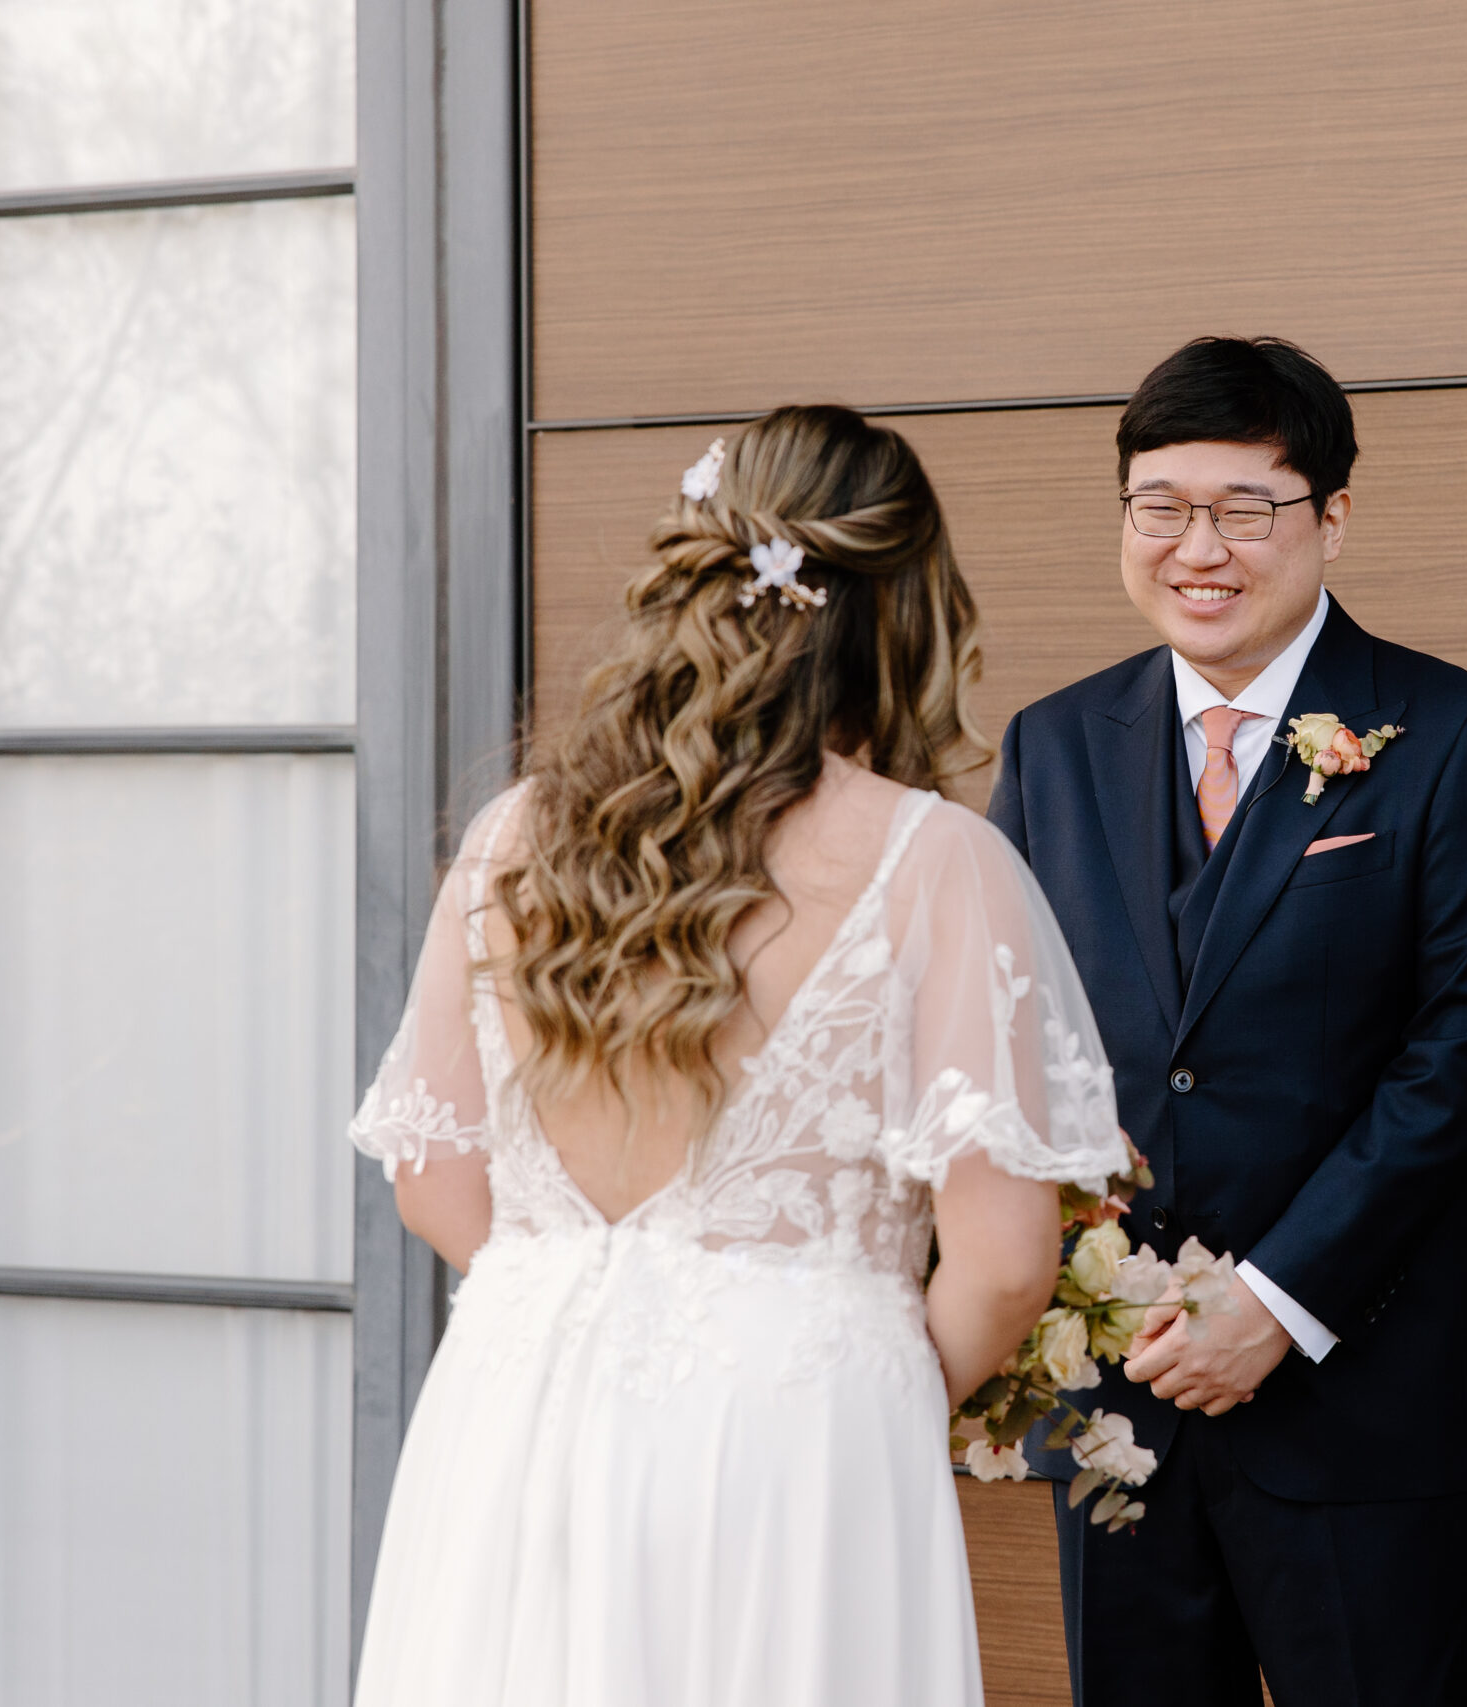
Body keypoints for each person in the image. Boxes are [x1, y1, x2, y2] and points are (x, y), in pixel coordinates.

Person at [347, 405, 1128, 1707]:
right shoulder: (931, 859)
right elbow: (1000, 1264)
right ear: (906, 611)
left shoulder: (512, 835)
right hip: (796, 1435)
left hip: (513, 1406)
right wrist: (835, 1361)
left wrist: (594, 1303)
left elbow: (431, 1175)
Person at [989, 337, 1467, 1704]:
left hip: (1359, 1403)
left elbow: (1461, 1054)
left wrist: (1276, 1300)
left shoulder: (1456, 734)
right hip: (1123, 1405)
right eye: (1161, 505)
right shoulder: (1053, 743)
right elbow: (1017, 1044)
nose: (1201, 546)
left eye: (1247, 507)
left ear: (1332, 517)